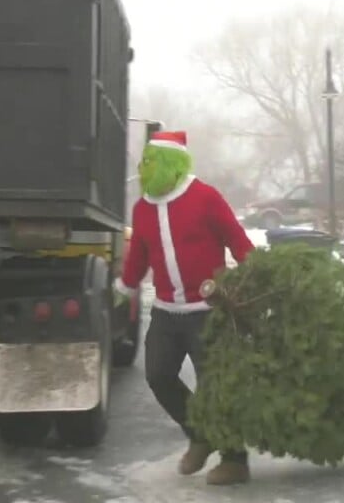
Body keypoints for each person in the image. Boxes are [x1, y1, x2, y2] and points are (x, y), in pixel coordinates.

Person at [113, 130, 255, 486]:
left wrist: (257, 275)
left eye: (149, 161)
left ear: (171, 164)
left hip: (208, 310)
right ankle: (200, 434)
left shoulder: (205, 197)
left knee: (216, 387)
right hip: (166, 312)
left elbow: (237, 240)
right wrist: (125, 285)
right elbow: (139, 255)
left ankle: (235, 461)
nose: (143, 169)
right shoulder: (142, 207)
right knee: (158, 375)